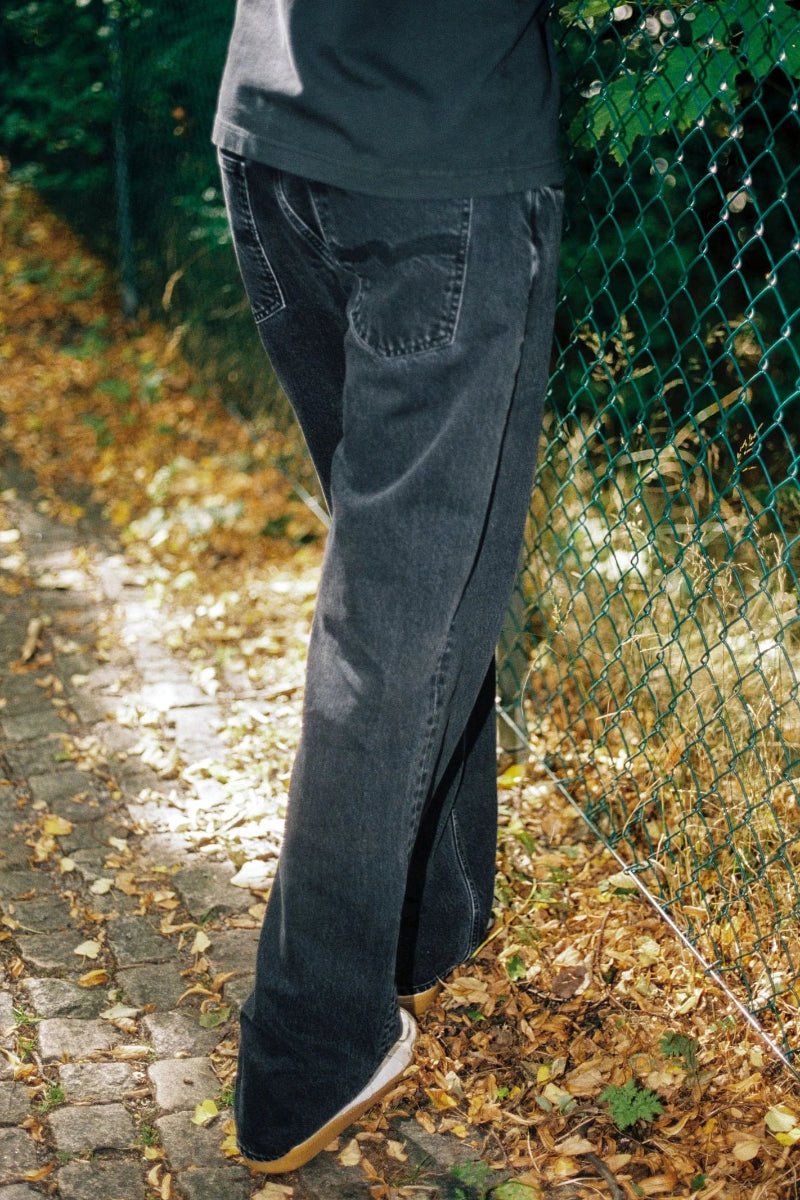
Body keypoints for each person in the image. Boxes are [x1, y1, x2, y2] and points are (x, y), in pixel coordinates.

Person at [212, 0, 564, 1175]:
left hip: (270, 141)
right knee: (396, 622)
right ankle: (310, 1048)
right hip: (438, 166)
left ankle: (428, 909)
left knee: (419, 583)